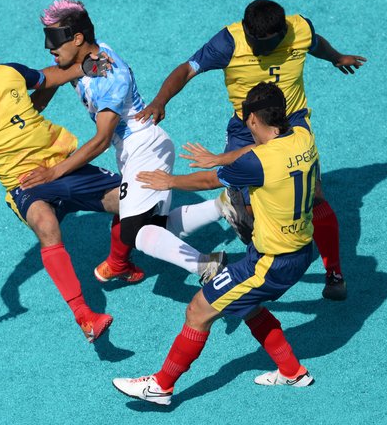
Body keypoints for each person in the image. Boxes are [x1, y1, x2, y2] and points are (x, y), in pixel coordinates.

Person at [135, 0, 367, 300]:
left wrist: (336, 57)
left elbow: (316, 44)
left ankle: (334, 271)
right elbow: (187, 69)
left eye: (263, 44)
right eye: (253, 40)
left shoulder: (299, 29)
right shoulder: (229, 42)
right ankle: (256, 258)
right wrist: (160, 100)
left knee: (315, 194)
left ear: (280, 33)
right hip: (247, 129)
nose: (256, 48)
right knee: (249, 208)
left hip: (292, 123)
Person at [113, 82, 318, 405]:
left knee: (198, 310)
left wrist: (170, 181)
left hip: (270, 262)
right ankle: (293, 371)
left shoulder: (257, 163)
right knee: (247, 304)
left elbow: (212, 180)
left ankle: (161, 386)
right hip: (300, 250)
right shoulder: (304, 137)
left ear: (252, 120)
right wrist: (220, 158)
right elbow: (275, 136)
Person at [0, 41, 143, 343]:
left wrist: (86, 66)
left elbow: (50, 77)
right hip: (28, 187)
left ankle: (118, 263)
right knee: (46, 225)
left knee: (133, 203)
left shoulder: (6, 74)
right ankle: (85, 316)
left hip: (66, 166)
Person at [22, 0, 227, 284]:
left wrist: (54, 172)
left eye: (55, 41)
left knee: (134, 232)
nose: (49, 48)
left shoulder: (109, 76)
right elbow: (49, 86)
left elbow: (102, 139)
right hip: (136, 149)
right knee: (155, 227)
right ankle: (224, 206)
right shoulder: (88, 58)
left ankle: (207, 266)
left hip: (144, 147)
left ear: (78, 38)